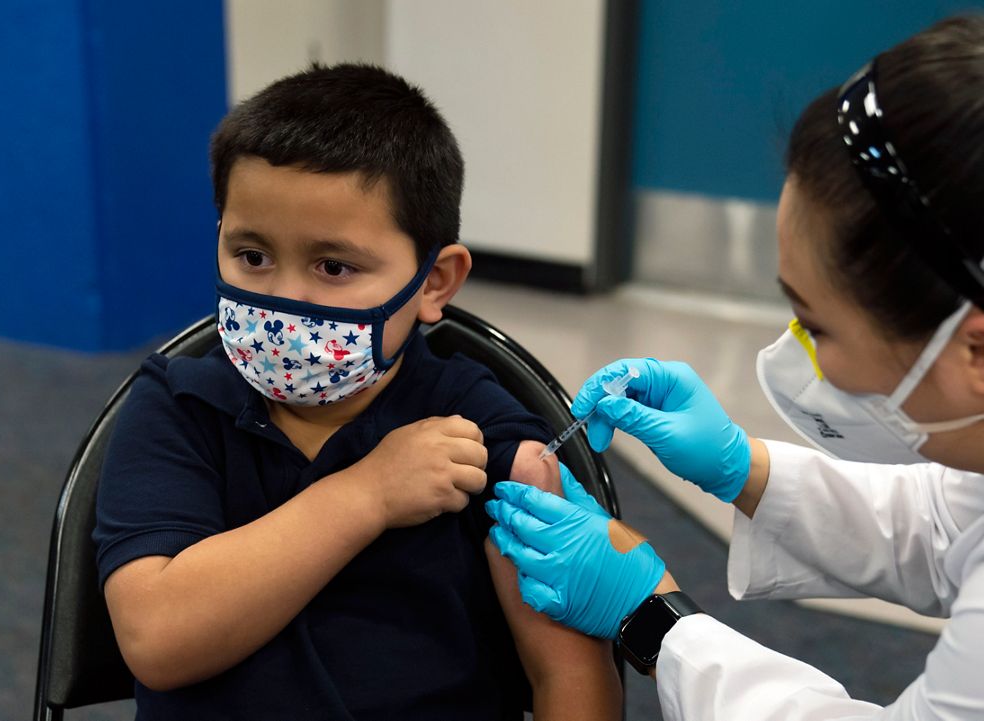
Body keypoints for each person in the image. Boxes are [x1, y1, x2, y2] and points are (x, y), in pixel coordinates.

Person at [488, 14, 984, 720]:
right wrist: (739, 467)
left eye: (816, 325)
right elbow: (946, 527)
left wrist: (651, 617)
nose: (795, 350)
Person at [92, 64, 620, 720]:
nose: (283, 298)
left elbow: (570, 678)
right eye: (251, 255)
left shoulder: (487, 434)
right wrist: (367, 494)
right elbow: (159, 637)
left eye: (334, 266)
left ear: (435, 282)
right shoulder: (177, 409)